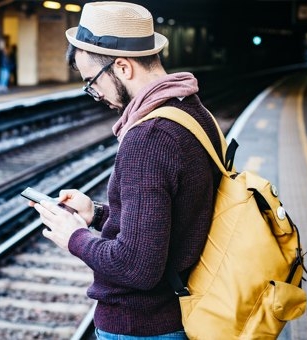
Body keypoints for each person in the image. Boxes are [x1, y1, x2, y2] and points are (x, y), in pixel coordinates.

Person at [29, 2, 224, 339]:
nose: (95, 94)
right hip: (180, 311)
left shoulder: (148, 139)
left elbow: (136, 266)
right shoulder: (192, 111)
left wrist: (74, 237)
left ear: (122, 66)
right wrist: (97, 214)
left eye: (92, 81)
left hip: (142, 325)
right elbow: (167, 222)